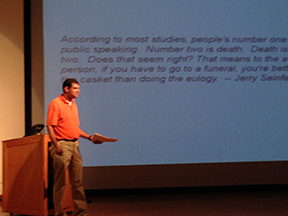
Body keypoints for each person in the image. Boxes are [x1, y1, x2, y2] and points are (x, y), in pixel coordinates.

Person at [46, 78, 101, 216]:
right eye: (75, 88)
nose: (78, 91)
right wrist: (56, 145)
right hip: (62, 145)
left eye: (78, 88)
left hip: (74, 144)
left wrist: (90, 137)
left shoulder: (73, 104)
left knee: (77, 181)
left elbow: (75, 128)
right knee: (60, 183)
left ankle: (81, 213)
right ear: (66, 89)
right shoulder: (56, 103)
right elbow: (50, 127)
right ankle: (59, 213)